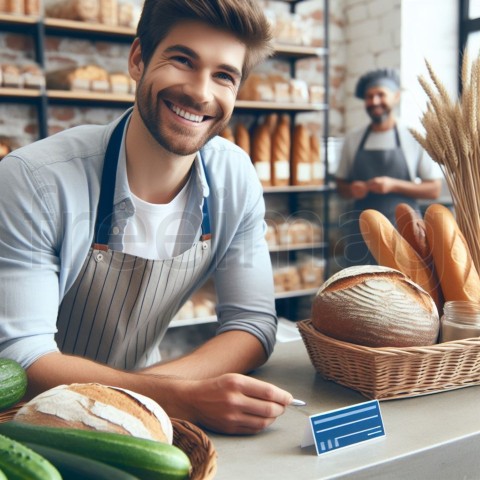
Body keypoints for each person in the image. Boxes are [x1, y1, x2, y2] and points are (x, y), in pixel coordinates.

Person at [0, 0, 295, 435]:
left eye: (224, 76)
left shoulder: (235, 177)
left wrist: (155, 393)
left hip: (145, 421)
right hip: (33, 421)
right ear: (138, 59)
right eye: (182, 60)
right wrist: (180, 398)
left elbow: (252, 324)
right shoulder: (34, 180)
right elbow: (23, 357)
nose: (200, 92)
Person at [335, 68, 443, 266]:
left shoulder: (413, 137)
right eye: (369, 96)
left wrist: (393, 185)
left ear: (396, 97)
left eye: (380, 95)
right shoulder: (353, 139)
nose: (374, 101)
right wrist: (351, 189)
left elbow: (434, 189)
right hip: (361, 233)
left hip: (405, 232)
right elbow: (340, 185)